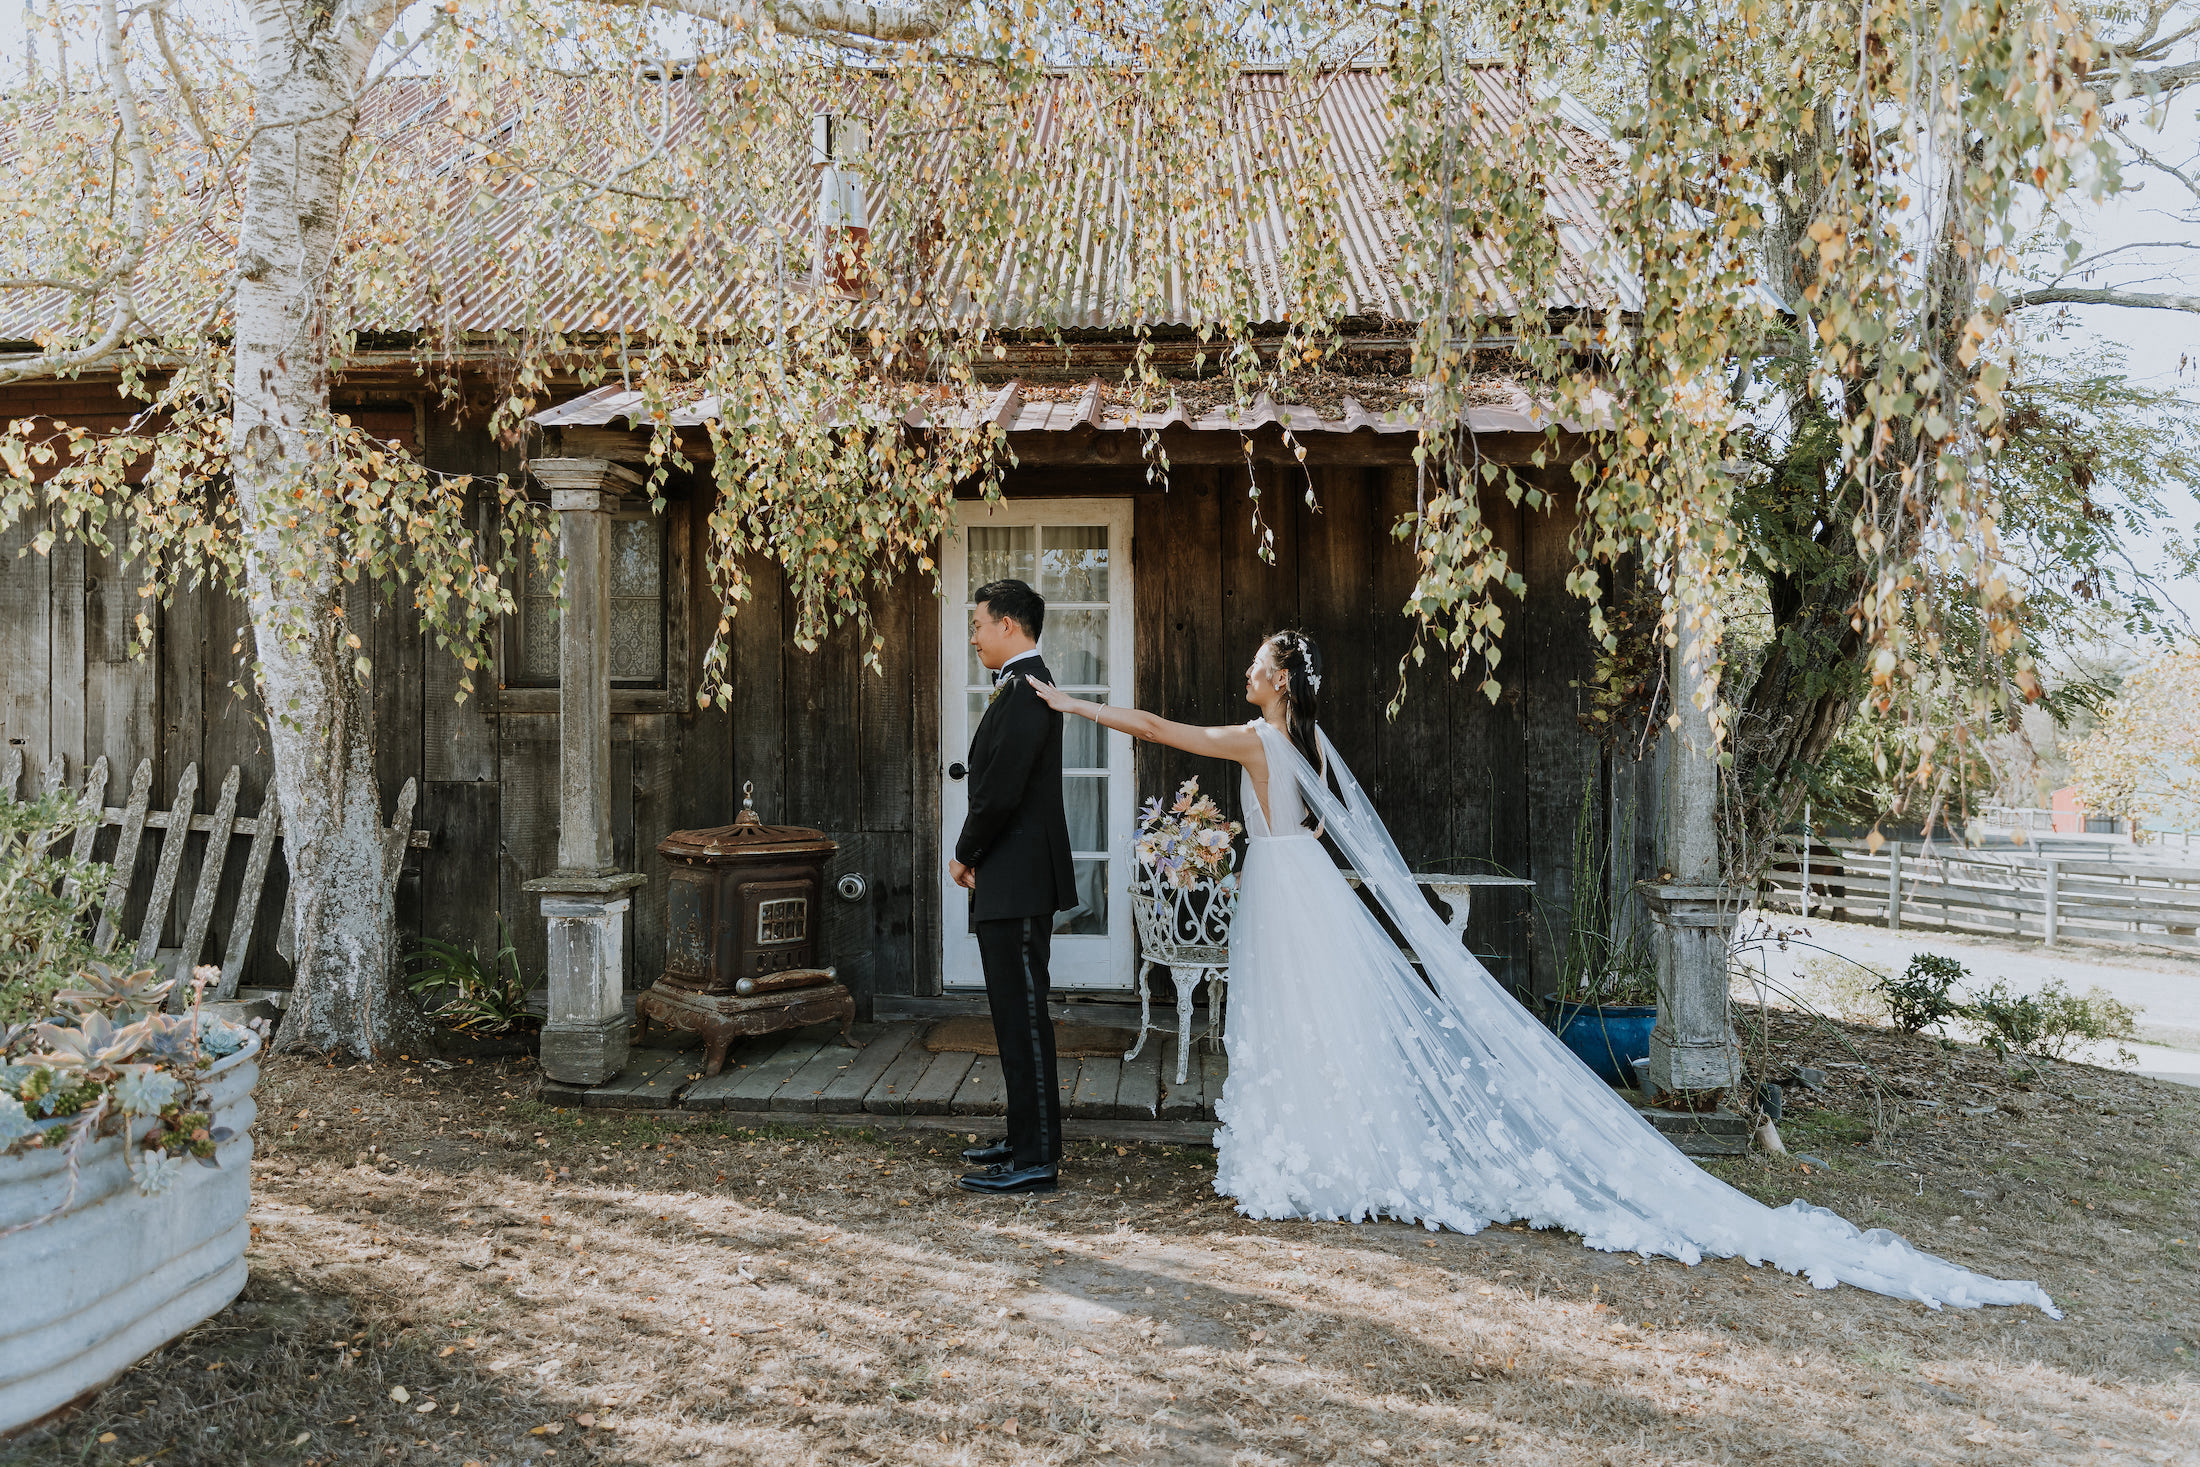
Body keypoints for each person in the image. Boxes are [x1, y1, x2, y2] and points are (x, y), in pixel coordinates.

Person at [1026, 630, 2060, 1313]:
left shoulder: (1260, 739)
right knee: (1319, 1027)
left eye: (1257, 664)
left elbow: (1159, 731)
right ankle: (1322, 1156)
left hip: (1287, 902)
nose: (1245, 672)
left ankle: (1313, 1162)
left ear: (1279, 684)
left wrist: (1072, 707)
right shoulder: (1291, 746)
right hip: (1295, 898)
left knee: (1301, 1024)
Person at [949, 578, 1077, 1195]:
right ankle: (1024, 1137)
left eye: (978, 625)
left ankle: (1038, 1157)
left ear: (1008, 626)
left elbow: (1001, 790)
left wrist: (965, 851)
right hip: (1010, 875)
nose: (973, 637)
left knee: (1025, 1018)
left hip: (1019, 876)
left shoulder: (1029, 693)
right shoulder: (1018, 689)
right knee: (1011, 1015)